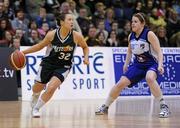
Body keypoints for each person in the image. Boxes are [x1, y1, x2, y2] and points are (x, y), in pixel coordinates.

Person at [95, 13, 170, 118]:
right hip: (137, 65)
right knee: (120, 83)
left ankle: (164, 106)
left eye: (135, 22)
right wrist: (126, 64)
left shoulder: (149, 34)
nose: (132, 24)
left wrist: (160, 65)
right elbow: (129, 52)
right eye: (132, 21)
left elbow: (159, 52)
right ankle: (105, 106)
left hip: (151, 64)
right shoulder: (131, 36)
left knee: (150, 78)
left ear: (142, 24)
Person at [21, 12, 89, 118]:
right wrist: (23, 53)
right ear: (62, 22)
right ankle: (35, 95)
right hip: (48, 63)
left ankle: (36, 108)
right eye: (69, 20)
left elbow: (85, 47)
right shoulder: (52, 34)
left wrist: (86, 57)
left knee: (51, 87)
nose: (72, 22)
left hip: (64, 66)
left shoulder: (76, 36)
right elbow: (39, 46)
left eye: (72, 20)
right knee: (37, 88)